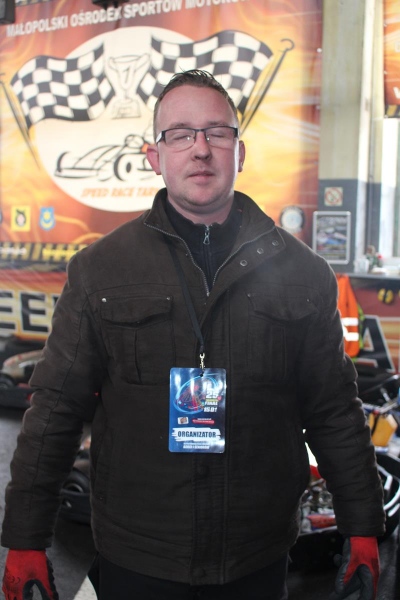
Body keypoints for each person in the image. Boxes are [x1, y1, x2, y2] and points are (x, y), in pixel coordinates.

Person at [1, 70, 384, 600]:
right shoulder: (100, 270)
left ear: (239, 152)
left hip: (256, 554)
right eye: (180, 134)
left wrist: (363, 524)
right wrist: (25, 537)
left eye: (216, 132)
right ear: (155, 157)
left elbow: (334, 409)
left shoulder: (305, 274)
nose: (200, 149)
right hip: (137, 553)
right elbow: (56, 410)